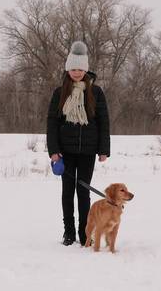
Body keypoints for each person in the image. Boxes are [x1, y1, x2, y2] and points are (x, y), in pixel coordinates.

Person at [47, 41, 110, 246]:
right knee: (67, 192)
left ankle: (85, 233)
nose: (76, 72)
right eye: (73, 68)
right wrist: (54, 151)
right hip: (66, 152)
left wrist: (103, 150)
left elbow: (103, 121)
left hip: (88, 151)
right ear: (68, 69)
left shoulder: (96, 92)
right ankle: (68, 233)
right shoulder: (60, 92)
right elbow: (52, 122)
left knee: (83, 193)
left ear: (86, 69)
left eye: (80, 69)